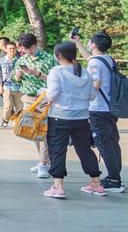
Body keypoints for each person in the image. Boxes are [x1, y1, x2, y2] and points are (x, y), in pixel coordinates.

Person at [42, 41, 106, 198]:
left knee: (57, 149)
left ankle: (58, 186)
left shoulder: (57, 72)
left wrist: (42, 95)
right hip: (82, 117)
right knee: (84, 149)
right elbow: (92, 95)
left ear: (59, 55)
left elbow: (52, 94)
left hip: (59, 116)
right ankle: (96, 183)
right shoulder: (84, 73)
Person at [73, 31, 123, 192]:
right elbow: (91, 59)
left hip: (98, 109)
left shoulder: (95, 64)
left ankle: (114, 180)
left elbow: (95, 85)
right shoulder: (107, 59)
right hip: (110, 108)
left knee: (104, 144)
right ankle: (115, 176)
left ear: (93, 44)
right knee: (112, 142)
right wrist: (78, 43)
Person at [15, 32, 55, 178]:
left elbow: (54, 79)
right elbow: (16, 79)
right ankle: (43, 160)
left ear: (36, 44)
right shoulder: (22, 59)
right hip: (27, 97)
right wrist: (18, 75)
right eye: (25, 49)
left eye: (30, 48)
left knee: (42, 129)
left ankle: (44, 163)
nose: (28, 52)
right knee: (32, 131)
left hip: (43, 97)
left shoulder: (49, 59)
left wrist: (37, 73)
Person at [0, 41, 23, 126]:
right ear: (6, 50)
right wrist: (0, 86)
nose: (12, 50)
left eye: (13, 48)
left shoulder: (20, 60)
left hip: (18, 86)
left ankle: (17, 121)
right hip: (7, 86)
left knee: (19, 106)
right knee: (8, 105)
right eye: (10, 49)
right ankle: (5, 119)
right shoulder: (0, 60)